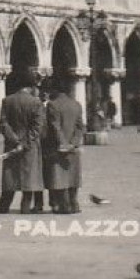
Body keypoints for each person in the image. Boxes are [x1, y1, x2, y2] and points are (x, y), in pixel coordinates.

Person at [0, 75, 45, 214]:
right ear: (31, 87)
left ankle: (3, 207)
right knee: (28, 178)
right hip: (30, 147)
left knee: (10, 177)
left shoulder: (7, 100)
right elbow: (37, 127)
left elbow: (3, 123)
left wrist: (15, 140)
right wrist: (24, 143)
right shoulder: (36, 103)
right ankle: (25, 208)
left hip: (11, 145)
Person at [41, 78, 86, 214]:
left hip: (57, 146)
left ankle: (63, 205)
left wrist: (63, 144)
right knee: (73, 176)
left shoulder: (52, 105)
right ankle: (74, 204)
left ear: (54, 90)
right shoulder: (76, 104)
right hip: (73, 148)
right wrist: (74, 143)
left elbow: (55, 126)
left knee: (58, 176)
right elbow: (80, 127)